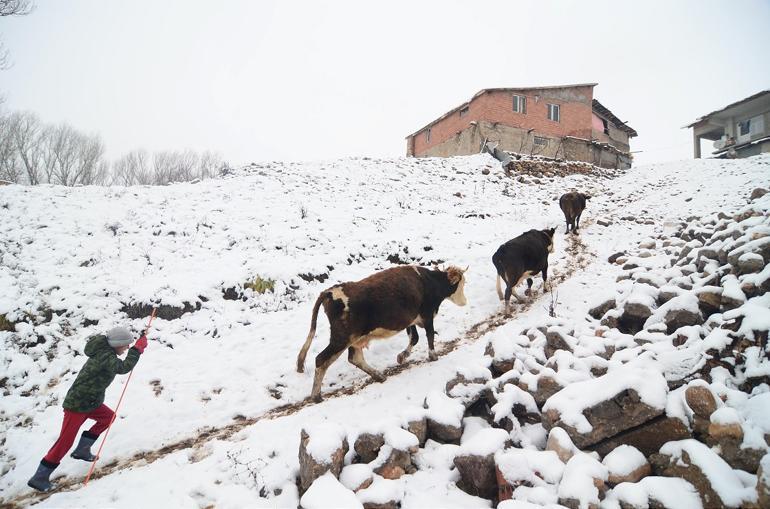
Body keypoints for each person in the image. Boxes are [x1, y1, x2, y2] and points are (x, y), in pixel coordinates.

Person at [27, 326, 148, 492]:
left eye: (129, 345)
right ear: (117, 344)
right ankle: (39, 477)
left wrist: (139, 343)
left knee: (108, 417)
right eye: (126, 345)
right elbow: (122, 368)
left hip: (92, 401)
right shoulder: (105, 355)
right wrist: (137, 349)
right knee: (64, 442)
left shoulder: (107, 352)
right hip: (77, 404)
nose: (127, 347)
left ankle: (82, 450)